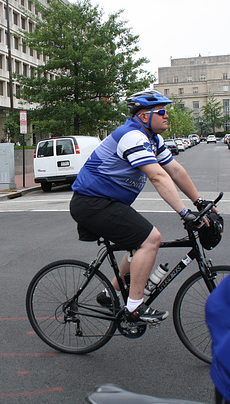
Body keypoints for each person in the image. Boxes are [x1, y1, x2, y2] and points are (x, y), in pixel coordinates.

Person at [69, 90, 211, 324]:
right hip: (92, 202)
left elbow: (174, 170)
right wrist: (184, 213)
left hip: (108, 202)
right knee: (150, 239)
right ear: (145, 116)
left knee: (138, 242)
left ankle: (110, 293)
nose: (167, 116)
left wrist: (199, 202)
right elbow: (158, 176)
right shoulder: (131, 136)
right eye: (162, 112)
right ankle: (134, 307)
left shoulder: (153, 140)